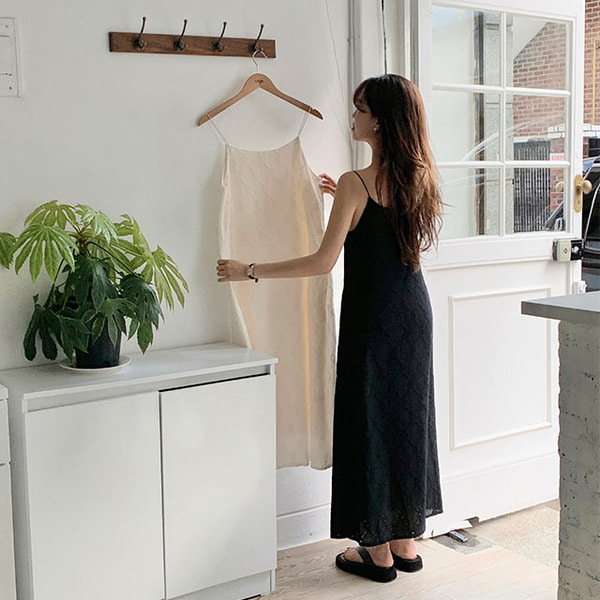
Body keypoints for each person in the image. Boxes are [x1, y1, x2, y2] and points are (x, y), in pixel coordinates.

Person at [216, 74, 444, 584]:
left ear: (379, 121)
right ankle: (405, 544)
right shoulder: (419, 178)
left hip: (373, 320)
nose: (353, 116)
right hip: (414, 314)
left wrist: (249, 269)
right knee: (407, 420)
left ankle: (377, 554)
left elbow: (322, 262)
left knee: (369, 423)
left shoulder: (355, 183)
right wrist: (342, 198)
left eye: (360, 109)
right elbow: (381, 230)